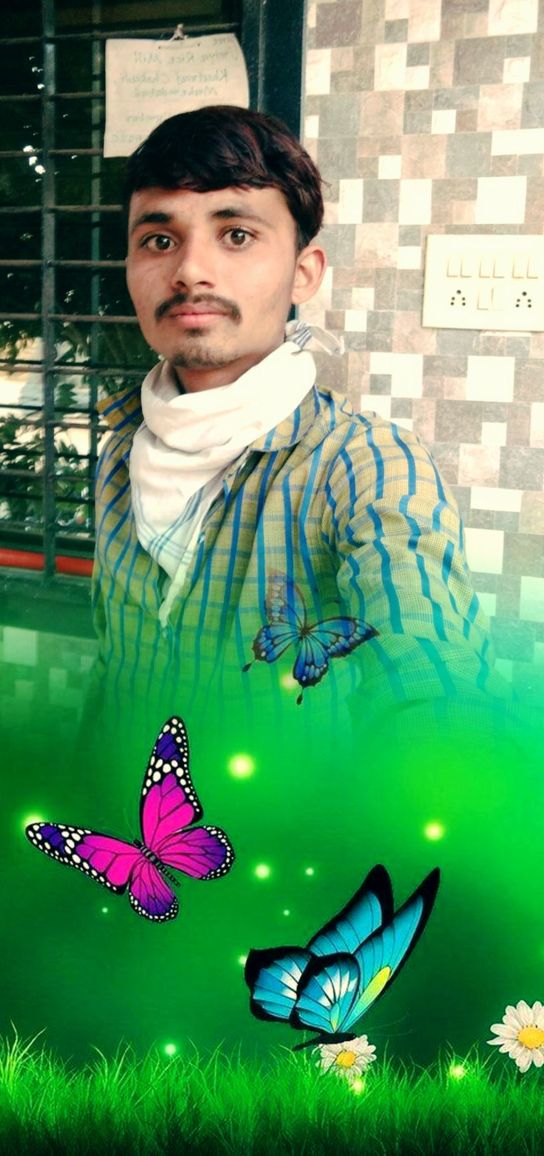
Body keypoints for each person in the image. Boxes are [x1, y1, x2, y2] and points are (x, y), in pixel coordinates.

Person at [91, 104, 501, 736]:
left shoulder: (365, 464)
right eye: (159, 240)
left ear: (303, 273)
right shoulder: (122, 448)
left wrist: (442, 755)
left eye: (236, 235)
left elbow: (432, 671)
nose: (190, 270)